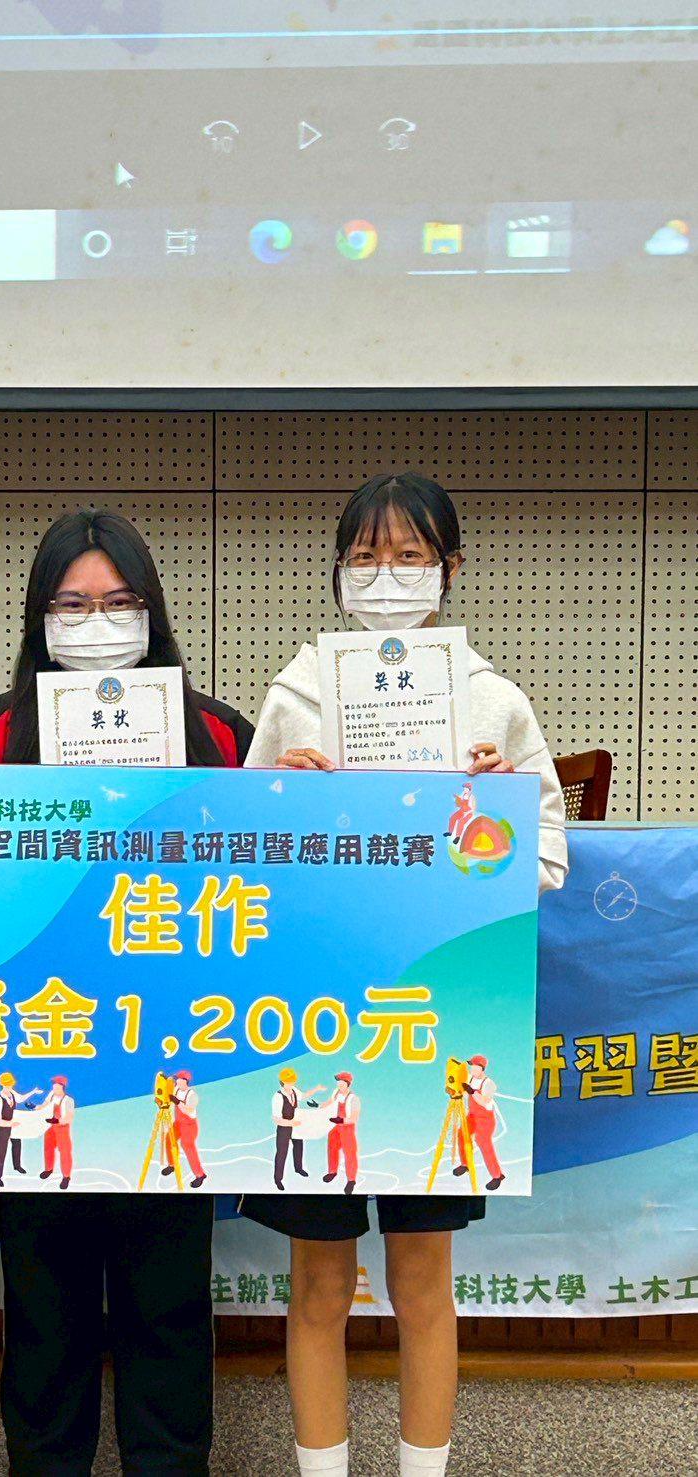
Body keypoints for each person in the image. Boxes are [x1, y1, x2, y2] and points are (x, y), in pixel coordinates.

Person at [240, 472, 568, 1477]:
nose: (386, 576)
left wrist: (491, 816)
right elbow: (235, 864)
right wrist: (276, 802)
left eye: (410, 556)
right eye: (365, 557)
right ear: (338, 573)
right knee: (317, 1287)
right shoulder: (295, 696)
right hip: (316, 1020)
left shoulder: (494, 702)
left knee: (423, 1283)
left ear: (450, 568)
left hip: (436, 1024)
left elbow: (547, 858)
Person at [0, 508, 254, 1477]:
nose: (96, 622)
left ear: (152, 613)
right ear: (38, 617)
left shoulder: (219, 734)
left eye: (118, 602)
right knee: (45, 1316)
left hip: (175, 1068)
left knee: (170, 1310)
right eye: (71, 605)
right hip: (36, 1067)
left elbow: (289, 880)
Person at [455, 1055, 503, 1190]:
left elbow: (484, 1101)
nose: (473, 1069)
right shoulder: (470, 1078)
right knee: (462, 1134)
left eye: (476, 1067)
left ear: (482, 1068)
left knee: (483, 1142)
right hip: (472, 1115)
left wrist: (471, 1091)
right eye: (472, 1066)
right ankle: (465, 1163)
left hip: (485, 1118)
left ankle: (497, 1175)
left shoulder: (489, 1084)